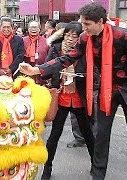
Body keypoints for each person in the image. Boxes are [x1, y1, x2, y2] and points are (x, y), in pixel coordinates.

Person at [20, 3, 127, 180]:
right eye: (83, 23)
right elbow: (67, 58)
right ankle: (97, 176)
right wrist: (37, 70)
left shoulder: (122, 34)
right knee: (101, 137)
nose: (84, 28)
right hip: (107, 90)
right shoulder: (85, 38)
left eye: (87, 24)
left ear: (101, 22)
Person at [41, 22, 95, 179]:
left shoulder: (85, 50)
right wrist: (51, 75)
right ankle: (47, 167)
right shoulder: (56, 49)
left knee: (88, 134)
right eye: (67, 35)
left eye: (74, 36)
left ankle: (96, 165)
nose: (70, 38)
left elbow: (94, 72)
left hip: (79, 98)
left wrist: (83, 75)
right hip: (61, 97)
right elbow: (46, 70)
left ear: (80, 38)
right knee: (54, 135)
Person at [23, 20, 49, 85]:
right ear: (28, 29)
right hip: (26, 73)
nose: (33, 29)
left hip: (41, 73)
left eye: (36, 27)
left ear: (39, 29)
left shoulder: (45, 41)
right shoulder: (23, 40)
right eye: (32, 27)